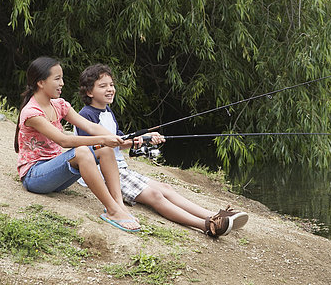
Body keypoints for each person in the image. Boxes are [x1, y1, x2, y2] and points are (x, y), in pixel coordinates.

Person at [76, 63, 249, 238]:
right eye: (103, 86)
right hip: (102, 174)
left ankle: (213, 214)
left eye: (111, 85)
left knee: (165, 187)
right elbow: (91, 148)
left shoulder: (107, 112)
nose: (110, 89)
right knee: (155, 195)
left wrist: (145, 138)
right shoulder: (85, 116)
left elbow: (119, 140)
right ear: (89, 92)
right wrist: (128, 140)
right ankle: (207, 225)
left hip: (120, 169)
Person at [14, 56, 142, 233]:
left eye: (62, 78)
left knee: (104, 149)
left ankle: (118, 205)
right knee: (83, 151)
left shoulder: (59, 105)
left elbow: (90, 126)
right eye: (57, 79)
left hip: (57, 174)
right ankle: (112, 211)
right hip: (35, 177)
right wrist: (102, 139)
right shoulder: (32, 112)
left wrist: (123, 139)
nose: (62, 83)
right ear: (41, 82)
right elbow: (64, 140)